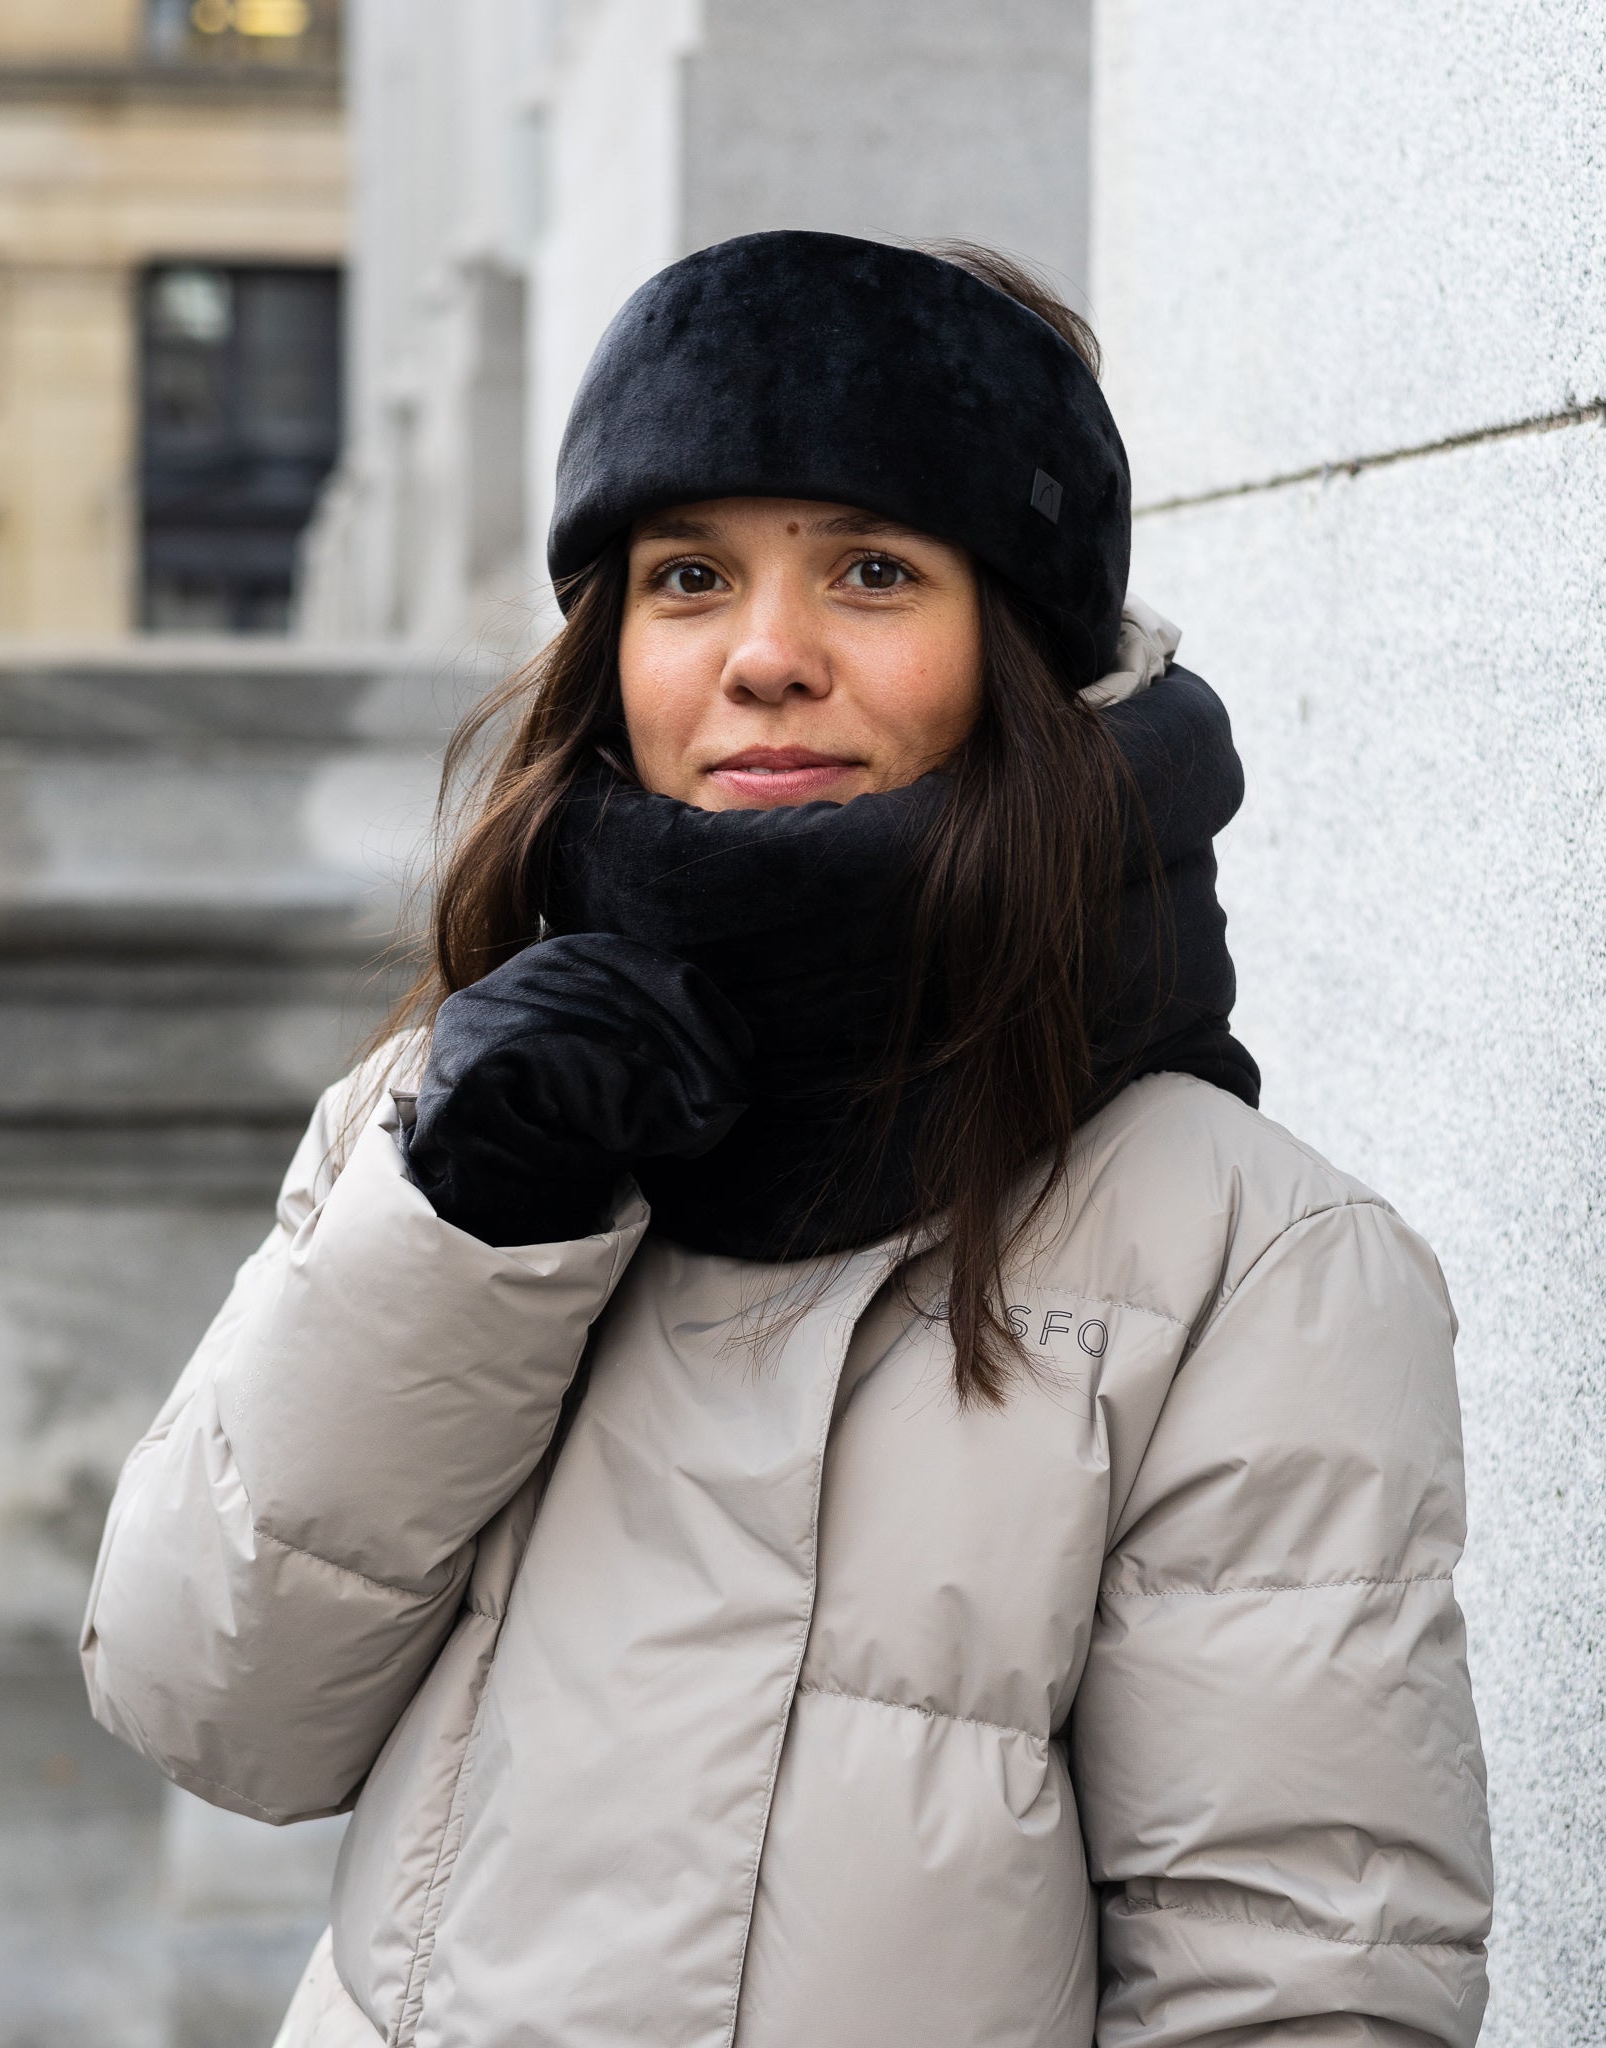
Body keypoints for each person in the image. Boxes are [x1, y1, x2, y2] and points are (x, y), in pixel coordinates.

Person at [82, 232, 1492, 2048]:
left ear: (1022, 647)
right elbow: (217, 1707)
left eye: (873, 572)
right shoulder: (443, 1120)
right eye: (687, 577)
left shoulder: (1248, 1263)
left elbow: (1297, 1978)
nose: (763, 656)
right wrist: (454, 1244)